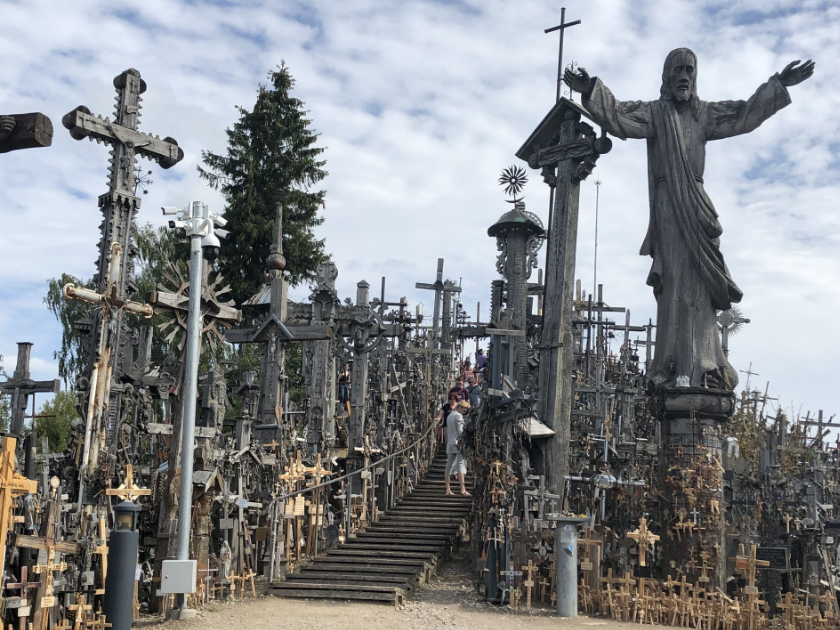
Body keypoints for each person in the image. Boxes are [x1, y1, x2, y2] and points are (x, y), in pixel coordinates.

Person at [564, 50, 814, 389]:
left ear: (695, 77)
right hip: (669, 206)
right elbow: (619, 115)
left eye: (690, 70)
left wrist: (779, 84)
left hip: (697, 207)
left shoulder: (704, 114)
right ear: (667, 77)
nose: (684, 76)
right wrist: (589, 88)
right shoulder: (655, 112)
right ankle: (672, 360)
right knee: (676, 283)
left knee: (701, 286)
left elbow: (743, 115)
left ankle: (705, 360)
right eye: (678, 70)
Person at [445, 399, 471, 496]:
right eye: (463, 409)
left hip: (450, 443)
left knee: (449, 465)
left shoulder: (450, 415)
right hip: (458, 443)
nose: (464, 411)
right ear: (459, 407)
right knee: (460, 464)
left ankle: (448, 489)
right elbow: (460, 431)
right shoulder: (458, 416)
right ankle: (463, 489)